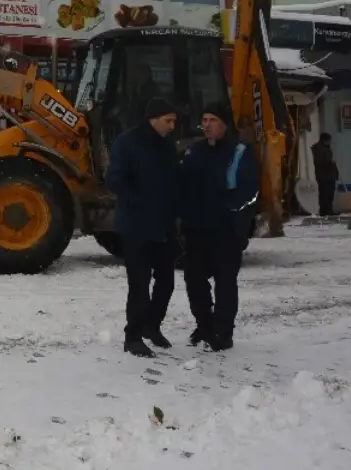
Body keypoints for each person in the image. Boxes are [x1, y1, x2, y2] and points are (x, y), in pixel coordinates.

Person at [106, 97, 182, 358]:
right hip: (136, 225)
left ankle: (152, 326)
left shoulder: (167, 145)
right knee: (139, 284)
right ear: (153, 118)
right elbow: (115, 179)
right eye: (168, 120)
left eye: (174, 120)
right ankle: (133, 337)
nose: (172, 125)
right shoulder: (127, 143)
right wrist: (141, 201)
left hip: (164, 224)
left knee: (166, 281)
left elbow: (174, 181)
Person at [180, 104, 259, 352]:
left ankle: (223, 331)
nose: (207, 124)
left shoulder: (240, 152)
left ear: (224, 124)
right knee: (194, 280)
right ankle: (204, 325)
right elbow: (182, 185)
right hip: (196, 230)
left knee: (225, 282)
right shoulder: (193, 151)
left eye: (213, 119)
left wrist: (233, 216)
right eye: (204, 119)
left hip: (226, 230)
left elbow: (250, 192)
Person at [311, 133, 339, 217]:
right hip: (325, 175)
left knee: (328, 194)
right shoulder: (319, 149)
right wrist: (331, 163)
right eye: (329, 140)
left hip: (328, 175)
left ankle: (328, 210)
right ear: (325, 140)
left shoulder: (324, 148)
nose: (330, 142)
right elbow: (322, 162)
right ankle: (325, 211)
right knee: (325, 194)